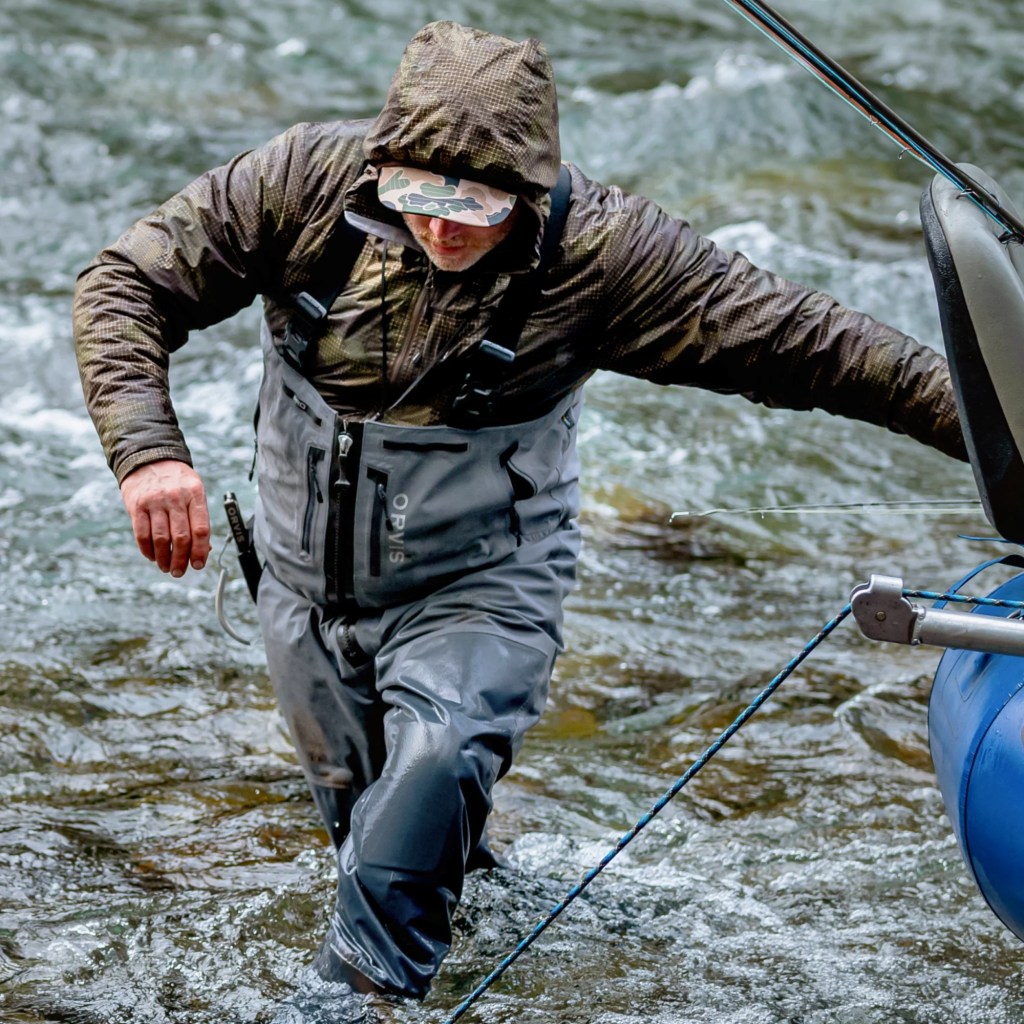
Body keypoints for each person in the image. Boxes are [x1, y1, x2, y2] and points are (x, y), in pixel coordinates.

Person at [72, 19, 966, 1020]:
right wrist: (148, 450)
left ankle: (346, 1006)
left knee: (439, 758)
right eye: (420, 194)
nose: (445, 226)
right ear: (381, 166)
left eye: (478, 202)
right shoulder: (298, 185)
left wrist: (997, 431)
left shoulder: (604, 253)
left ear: (529, 193)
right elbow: (124, 285)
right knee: (373, 829)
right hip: (299, 585)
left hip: (480, 586)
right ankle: (496, 946)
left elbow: (816, 346)